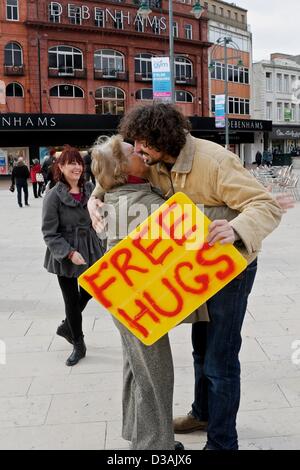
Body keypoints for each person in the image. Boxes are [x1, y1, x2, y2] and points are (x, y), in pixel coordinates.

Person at [88, 103, 283, 451]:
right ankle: (202, 413)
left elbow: (264, 205)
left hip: (231, 266)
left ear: (163, 139)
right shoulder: (154, 161)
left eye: (143, 144)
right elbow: (115, 169)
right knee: (200, 350)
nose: (139, 151)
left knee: (220, 359)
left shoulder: (216, 161)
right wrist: (95, 196)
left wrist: (237, 228)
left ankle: (223, 441)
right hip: (197, 269)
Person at [90, 134, 192, 450]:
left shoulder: (114, 196)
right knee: (155, 376)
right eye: (133, 152)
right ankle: (153, 447)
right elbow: (194, 224)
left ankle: (138, 433)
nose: (141, 153)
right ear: (124, 168)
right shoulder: (147, 204)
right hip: (137, 303)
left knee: (137, 368)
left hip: (121, 299)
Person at [42, 147, 104, 367]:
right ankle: (78, 343)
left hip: (91, 246)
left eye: (79, 162)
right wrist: (69, 252)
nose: (77, 167)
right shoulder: (53, 195)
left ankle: (67, 326)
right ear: (60, 167)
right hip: (65, 250)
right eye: (71, 163)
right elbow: (49, 231)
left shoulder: (90, 188)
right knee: (70, 299)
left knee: (94, 286)